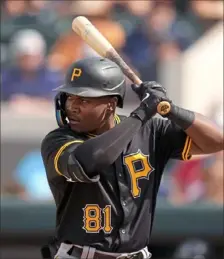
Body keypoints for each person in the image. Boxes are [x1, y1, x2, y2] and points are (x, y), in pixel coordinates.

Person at [41, 56, 223, 259]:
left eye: (84, 99)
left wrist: (169, 108)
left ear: (110, 104)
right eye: (70, 97)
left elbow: (216, 140)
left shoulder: (151, 131)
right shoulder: (58, 140)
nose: (72, 106)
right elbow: (91, 161)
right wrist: (143, 113)